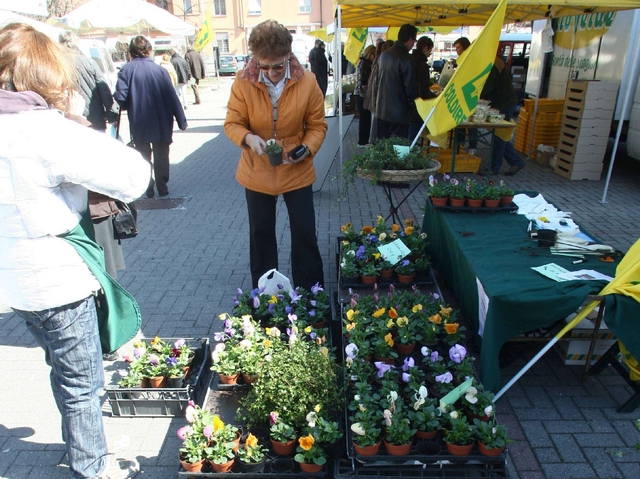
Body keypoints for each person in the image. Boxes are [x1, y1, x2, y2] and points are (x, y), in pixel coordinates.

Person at [0, 23, 150, 479]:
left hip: (17, 283)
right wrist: (79, 132)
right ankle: (91, 466)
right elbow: (133, 176)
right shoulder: (40, 129)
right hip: (57, 278)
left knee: (61, 368)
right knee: (83, 382)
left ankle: (78, 446)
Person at [224, 19, 327, 291]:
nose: (270, 72)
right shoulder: (243, 82)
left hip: (297, 170)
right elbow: (233, 123)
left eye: (278, 66)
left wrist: (304, 149)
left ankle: (309, 297)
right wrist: (248, 138)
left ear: (289, 56)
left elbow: (317, 126)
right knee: (261, 236)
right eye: (264, 65)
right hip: (257, 170)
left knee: (305, 234)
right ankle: (267, 298)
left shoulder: (307, 82)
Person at [114, 36, 188, 198]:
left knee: (142, 155)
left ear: (131, 52)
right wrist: (181, 120)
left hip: (139, 119)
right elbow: (172, 96)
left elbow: (120, 96)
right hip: (161, 119)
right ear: (148, 50)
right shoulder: (160, 70)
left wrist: (128, 105)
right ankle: (162, 186)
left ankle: (148, 185)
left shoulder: (127, 70)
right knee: (161, 153)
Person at [58, 30, 118, 132]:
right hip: (95, 118)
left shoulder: (58, 65)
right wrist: (112, 115)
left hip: (70, 120)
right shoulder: (90, 62)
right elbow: (104, 89)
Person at [477, 54, 526, 176]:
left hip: (504, 103)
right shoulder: (490, 61)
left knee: (499, 136)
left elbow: (487, 87)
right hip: (501, 102)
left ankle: (493, 168)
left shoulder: (493, 63)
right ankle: (516, 161)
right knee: (500, 136)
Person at [374, 24, 418, 139]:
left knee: (383, 149)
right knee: (398, 150)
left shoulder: (384, 55)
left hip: (381, 111)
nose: (413, 45)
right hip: (399, 114)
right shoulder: (406, 59)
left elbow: (377, 82)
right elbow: (410, 90)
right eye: (414, 41)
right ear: (410, 40)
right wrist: (414, 108)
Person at [408, 36, 437, 143]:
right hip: (417, 108)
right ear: (425, 48)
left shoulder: (409, 60)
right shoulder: (422, 66)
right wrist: (436, 97)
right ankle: (409, 157)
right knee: (413, 138)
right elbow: (423, 91)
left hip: (407, 105)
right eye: (430, 50)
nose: (430, 53)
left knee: (407, 137)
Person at [364, 39, 393, 144]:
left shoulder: (377, 61)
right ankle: (374, 145)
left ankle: (374, 145)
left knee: (376, 126)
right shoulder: (381, 63)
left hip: (377, 99)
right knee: (377, 127)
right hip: (379, 100)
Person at [452, 36, 477, 155]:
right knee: (461, 121)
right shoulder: (461, 60)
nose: (457, 50)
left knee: (471, 124)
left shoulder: (469, 59)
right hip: (462, 96)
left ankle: (472, 146)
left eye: (458, 47)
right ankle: (459, 144)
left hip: (470, 95)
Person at [354, 45, 376, 146]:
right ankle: (363, 141)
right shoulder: (364, 64)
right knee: (364, 118)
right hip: (362, 95)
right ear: (370, 54)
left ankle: (364, 140)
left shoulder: (362, 62)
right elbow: (363, 81)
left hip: (361, 94)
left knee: (365, 118)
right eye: (374, 55)